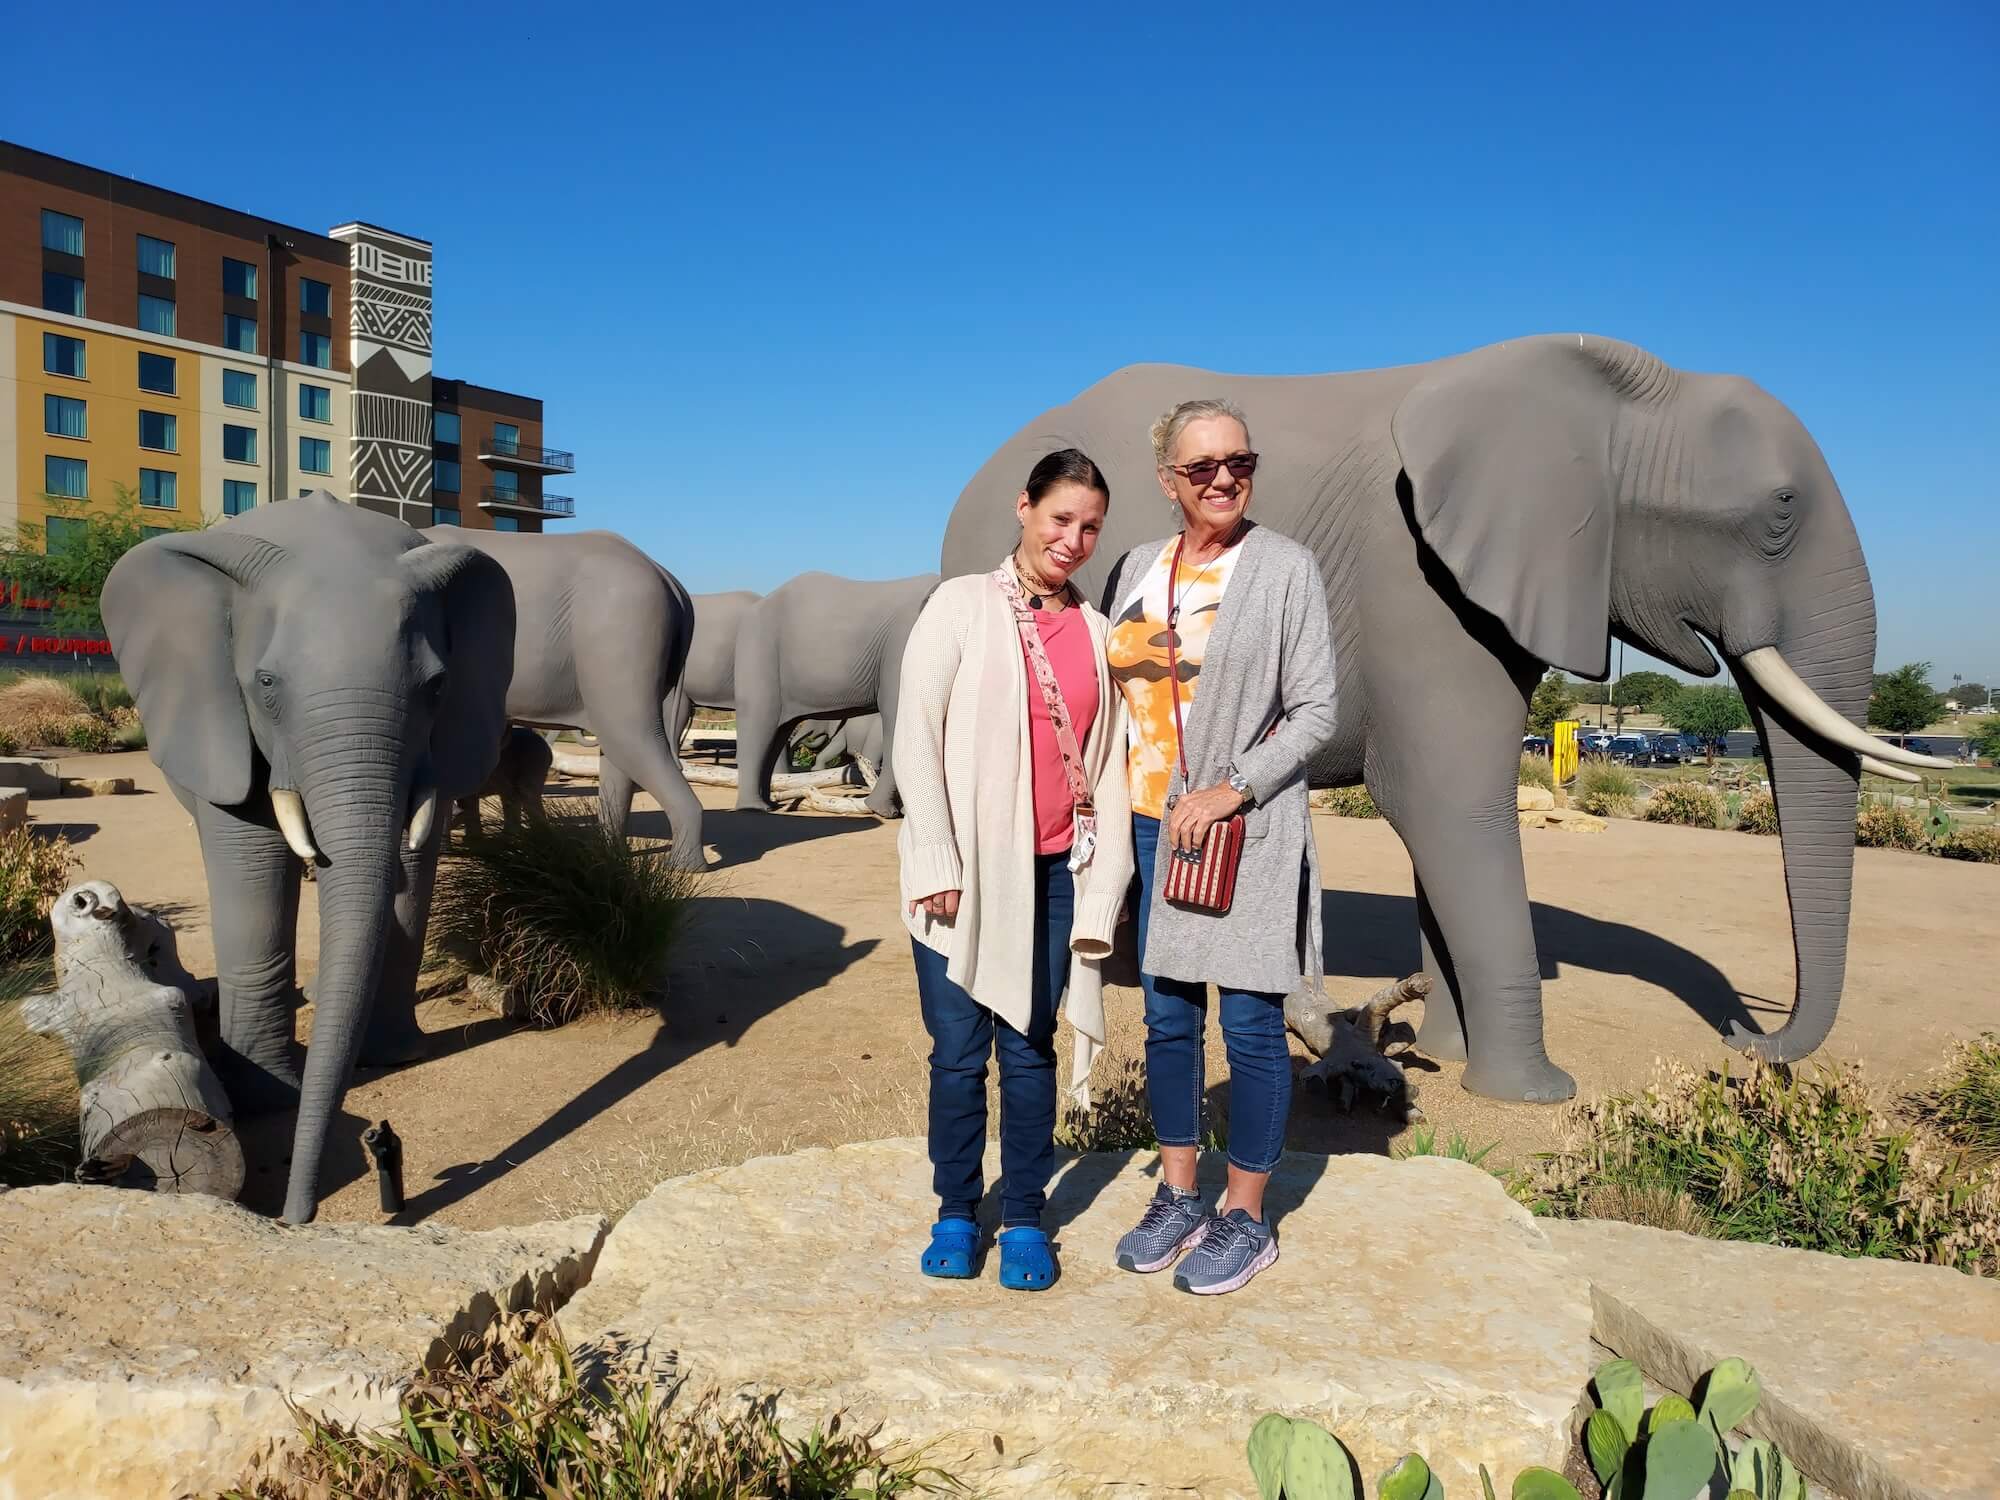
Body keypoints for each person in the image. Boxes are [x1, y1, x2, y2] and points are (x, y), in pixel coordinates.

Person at [1104, 397, 1337, 1296]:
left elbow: (1317, 707)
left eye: (1239, 460)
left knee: (1247, 1021)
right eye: (1201, 468)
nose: (1223, 479)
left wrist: (1232, 786)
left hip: (1242, 827)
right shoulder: (1133, 567)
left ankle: (1246, 1214)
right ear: (1169, 481)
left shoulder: (1284, 568)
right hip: (1148, 821)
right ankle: (1178, 1195)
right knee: (1168, 1019)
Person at [894, 448, 1135, 1291]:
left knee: (1029, 1049)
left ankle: (1026, 1214)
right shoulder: (960, 606)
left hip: (1053, 873)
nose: (1074, 539)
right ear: (1024, 507)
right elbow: (913, 735)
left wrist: (1103, 882)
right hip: (960, 872)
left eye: (1091, 526)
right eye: (1062, 518)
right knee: (958, 1053)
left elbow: (1108, 763)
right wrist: (934, 856)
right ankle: (957, 1210)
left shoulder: (1099, 632)